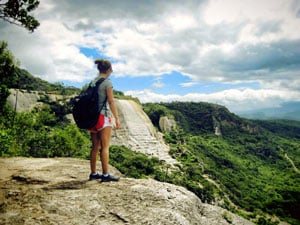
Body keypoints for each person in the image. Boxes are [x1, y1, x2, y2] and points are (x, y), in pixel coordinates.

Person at [88, 59, 120, 182]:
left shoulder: (93, 82)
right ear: (109, 69)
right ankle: (106, 175)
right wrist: (116, 118)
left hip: (92, 118)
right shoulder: (107, 83)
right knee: (105, 147)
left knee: (95, 146)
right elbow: (111, 101)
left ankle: (93, 173)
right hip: (103, 117)